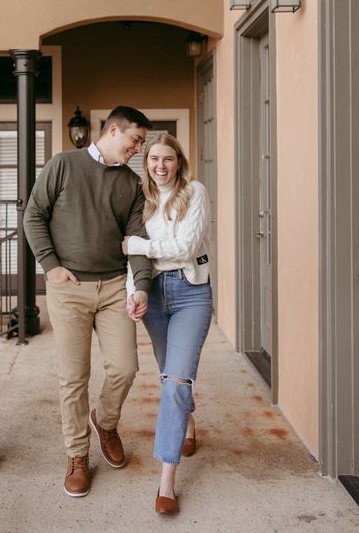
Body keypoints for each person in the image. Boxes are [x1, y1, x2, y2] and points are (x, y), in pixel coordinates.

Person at [23, 106, 152, 498]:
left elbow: (137, 240)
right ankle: (77, 454)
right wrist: (50, 267)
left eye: (142, 144)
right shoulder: (63, 165)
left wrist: (141, 285)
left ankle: (106, 421)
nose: (138, 150)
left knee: (125, 368)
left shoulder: (131, 185)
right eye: (135, 141)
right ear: (114, 130)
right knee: (73, 376)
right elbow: (33, 216)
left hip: (114, 287)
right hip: (69, 288)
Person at [123, 134, 213, 515]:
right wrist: (134, 292)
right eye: (154, 159)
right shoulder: (139, 200)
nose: (160, 166)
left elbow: (186, 248)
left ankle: (166, 481)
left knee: (176, 382)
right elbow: (132, 261)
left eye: (168, 159)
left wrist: (139, 246)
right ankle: (187, 423)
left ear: (179, 162)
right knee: (171, 376)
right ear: (146, 163)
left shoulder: (195, 192)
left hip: (192, 293)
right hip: (155, 296)